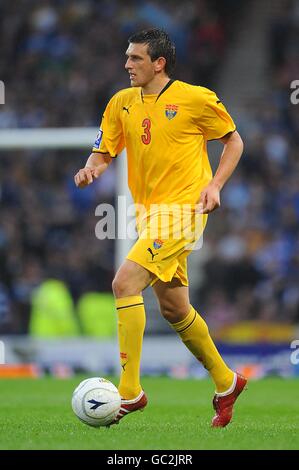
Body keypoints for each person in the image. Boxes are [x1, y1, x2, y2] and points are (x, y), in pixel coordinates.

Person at [74, 28, 246, 428]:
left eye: (135, 58)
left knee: (124, 284)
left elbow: (234, 142)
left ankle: (130, 391)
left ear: (159, 63)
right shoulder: (121, 102)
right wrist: (92, 169)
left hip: (183, 211)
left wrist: (215, 184)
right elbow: (104, 152)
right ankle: (227, 381)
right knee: (174, 307)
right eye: (127, 57)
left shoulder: (196, 98)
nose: (127, 64)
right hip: (149, 217)